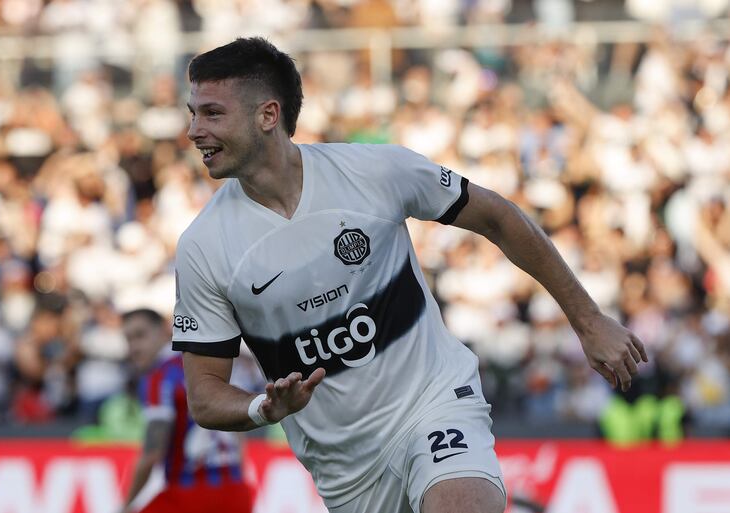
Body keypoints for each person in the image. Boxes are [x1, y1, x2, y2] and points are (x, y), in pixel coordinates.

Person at [174, 37, 648, 513]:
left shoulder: (374, 171)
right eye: (192, 113)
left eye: (212, 113)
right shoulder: (204, 247)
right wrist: (264, 408)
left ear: (268, 115)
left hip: (433, 403)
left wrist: (588, 320)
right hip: (348, 471)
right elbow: (206, 395)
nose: (194, 130)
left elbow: (498, 217)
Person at [119, 308, 253, 513]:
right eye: (129, 340)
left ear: (165, 331)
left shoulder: (159, 377)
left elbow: (152, 453)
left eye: (140, 335)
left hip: (189, 496)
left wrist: (125, 505)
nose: (134, 347)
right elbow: (238, 432)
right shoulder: (210, 365)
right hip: (237, 492)